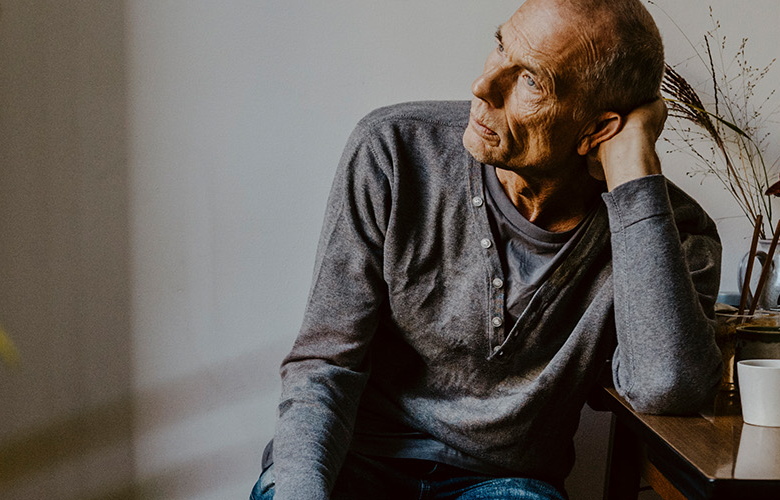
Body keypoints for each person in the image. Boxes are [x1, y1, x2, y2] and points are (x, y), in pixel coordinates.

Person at [255, 1, 721, 498]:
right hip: (355, 461)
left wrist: (633, 179)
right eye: (500, 45)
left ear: (598, 130)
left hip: (501, 485)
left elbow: (666, 387)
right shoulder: (393, 150)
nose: (483, 86)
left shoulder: (672, 232)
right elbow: (326, 364)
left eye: (532, 80)